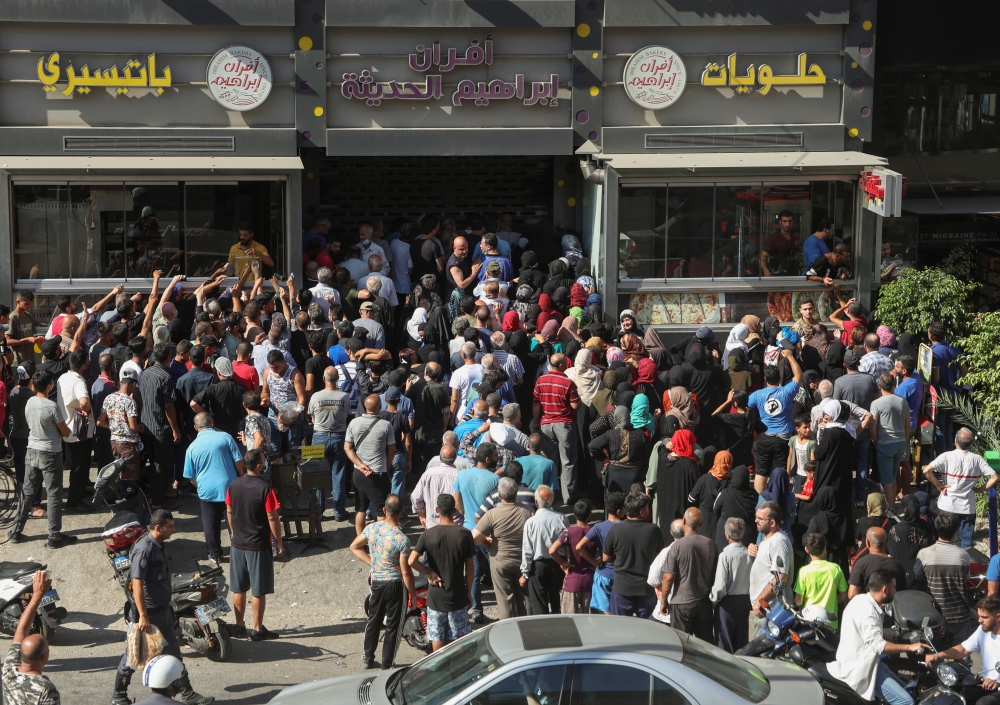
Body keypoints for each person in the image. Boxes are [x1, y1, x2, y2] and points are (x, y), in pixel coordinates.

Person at [111, 510, 213, 705]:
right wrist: (142, 616)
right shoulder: (145, 549)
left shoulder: (160, 546)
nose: (173, 530)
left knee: (174, 653)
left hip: (164, 612)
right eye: (170, 526)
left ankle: (188, 694)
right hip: (147, 615)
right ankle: (118, 696)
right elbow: (137, 584)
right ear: (158, 527)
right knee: (134, 656)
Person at [827, 569, 927, 705]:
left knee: (907, 688)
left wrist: (893, 635)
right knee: (906, 701)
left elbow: (866, 633)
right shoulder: (867, 610)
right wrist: (910, 647)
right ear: (885, 589)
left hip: (871, 663)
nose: (896, 591)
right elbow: (879, 645)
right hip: (862, 670)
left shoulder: (862, 600)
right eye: (894, 587)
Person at [7, 370, 76, 547]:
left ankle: (16, 530)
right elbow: (65, 432)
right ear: (48, 385)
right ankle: (54, 536)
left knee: (28, 491)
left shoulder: (30, 402)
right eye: (52, 382)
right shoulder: (51, 406)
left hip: (32, 451)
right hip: (50, 453)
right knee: (54, 494)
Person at [350, 494, 415, 669]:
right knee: (394, 626)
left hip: (377, 582)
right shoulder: (402, 539)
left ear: (385, 510)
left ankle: (368, 657)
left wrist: (373, 562)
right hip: (395, 585)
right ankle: (387, 664)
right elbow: (406, 572)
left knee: (374, 620)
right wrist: (413, 595)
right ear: (402, 511)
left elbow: (354, 546)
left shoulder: (372, 529)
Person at [226, 448, 283, 641]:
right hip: (258, 545)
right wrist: (279, 542)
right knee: (258, 590)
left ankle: (240, 625)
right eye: (264, 459)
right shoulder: (264, 488)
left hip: (237, 544)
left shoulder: (234, 484)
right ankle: (257, 629)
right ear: (259, 466)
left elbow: (229, 510)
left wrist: (234, 532)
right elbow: (272, 518)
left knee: (238, 587)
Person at [409, 494, 475, 651]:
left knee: (437, 636)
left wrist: (429, 572)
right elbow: (470, 567)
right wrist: (469, 592)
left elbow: (411, 561)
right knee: (458, 638)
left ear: (437, 510)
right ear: (454, 511)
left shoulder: (428, 535)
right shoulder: (465, 534)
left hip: (436, 596)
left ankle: (440, 668)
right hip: (457, 595)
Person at [183, 413, 245, 565]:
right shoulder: (225, 437)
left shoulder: (191, 448)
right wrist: (242, 478)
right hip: (229, 488)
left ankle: (214, 553)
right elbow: (238, 460)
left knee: (210, 524)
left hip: (206, 492)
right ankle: (240, 549)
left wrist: (200, 486)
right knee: (235, 521)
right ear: (212, 422)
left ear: (195, 428)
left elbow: (190, 476)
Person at [923, 428, 998, 549]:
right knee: (966, 543)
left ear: (955, 441)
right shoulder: (977, 459)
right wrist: (979, 489)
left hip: (947, 504)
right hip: (967, 506)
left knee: (944, 538)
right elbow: (994, 477)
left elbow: (926, 471)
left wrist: (938, 485)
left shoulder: (946, 456)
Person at [473, 477, 534, 619]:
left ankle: (507, 631)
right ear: (516, 493)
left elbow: (474, 537)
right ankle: (528, 627)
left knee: (504, 600)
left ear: (499, 496)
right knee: (526, 598)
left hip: (499, 561)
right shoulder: (528, 511)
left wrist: (485, 540)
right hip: (523, 561)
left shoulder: (492, 514)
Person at [925, 595, 1000, 705]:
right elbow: (963, 649)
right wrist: (938, 655)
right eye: (979, 616)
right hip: (986, 684)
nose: (979, 620)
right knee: (960, 696)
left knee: (983, 703)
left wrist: (997, 683)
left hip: (997, 687)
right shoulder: (983, 630)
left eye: (984, 617)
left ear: (998, 617)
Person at [747, 349, 803, 493]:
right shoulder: (786, 391)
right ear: (779, 378)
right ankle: (776, 499)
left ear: (765, 379)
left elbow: (744, 407)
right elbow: (798, 375)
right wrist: (790, 356)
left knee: (760, 473)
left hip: (762, 437)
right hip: (782, 438)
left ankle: (760, 502)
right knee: (778, 472)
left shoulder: (757, 395)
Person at [2, 570, 60, 705]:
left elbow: (21, 631)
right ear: (44, 657)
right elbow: (21, 632)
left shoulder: (8, 671)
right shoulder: (45, 689)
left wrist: (37, 596)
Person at [660, 508, 719, 641]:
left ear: (685, 521)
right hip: (704, 602)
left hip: (682, 603)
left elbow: (668, 577)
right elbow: (714, 574)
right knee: (705, 644)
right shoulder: (711, 544)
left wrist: (664, 601)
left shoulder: (677, 546)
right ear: (701, 524)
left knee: (680, 643)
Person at [603, 493, 664, 618]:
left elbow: (605, 558)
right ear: (642, 512)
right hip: (646, 589)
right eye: (647, 508)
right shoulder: (653, 530)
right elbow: (659, 557)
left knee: (621, 630)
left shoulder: (615, 530)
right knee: (648, 629)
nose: (649, 511)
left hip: (621, 588)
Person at [916, 513, 975, 641]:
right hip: (960, 613)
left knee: (936, 653)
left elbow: (919, 576)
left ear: (936, 529)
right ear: (955, 532)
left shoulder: (923, 554)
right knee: (961, 652)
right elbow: (965, 579)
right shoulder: (963, 555)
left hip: (935, 612)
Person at [532, 353, 581, 504]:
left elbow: (536, 404)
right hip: (564, 425)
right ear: (561, 365)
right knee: (568, 461)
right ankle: (569, 497)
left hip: (546, 425)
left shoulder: (540, 380)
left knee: (549, 460)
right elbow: (574, 405)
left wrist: (536, 423)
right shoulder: (568, 383)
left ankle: (548, 496)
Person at [139, 344, 183, 510]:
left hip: (147, 425)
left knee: (154, 463)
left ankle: (157, 495)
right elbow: (169, 407)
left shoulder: (146, 373)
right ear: (168, 358)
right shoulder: (165, 377)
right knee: (161, 466)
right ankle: (158, 502)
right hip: (160, 428)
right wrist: (176, 430)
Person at [345, 395, 396, 536]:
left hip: (358, 473)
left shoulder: (354, 423)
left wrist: (360, 464)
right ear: (380, 407)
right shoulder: (386, 426)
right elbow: (392, 450)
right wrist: (385, 465)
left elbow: (347, 448)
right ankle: (381, 541)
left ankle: (360, 541)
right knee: (381, 510)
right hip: (377, 474)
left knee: (360, 509)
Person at [308, 367, 351, 521]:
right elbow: (346, 415)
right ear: (337, 378)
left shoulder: (315, 396)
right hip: (339, 437)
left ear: (324, 379)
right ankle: (339, 512)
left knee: (317, 475)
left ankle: (319, 511)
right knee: (338, 475)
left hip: (318, 438)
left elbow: (312, 417)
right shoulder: (344, 397)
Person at [520, 485, 569, 615]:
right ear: (552, 501)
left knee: (539, 604)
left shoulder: (531, 522)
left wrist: (525, 573)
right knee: (557, 603)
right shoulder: (562, 518)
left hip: (538, 567)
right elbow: (568, 544)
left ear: (536, 502)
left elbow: (527, 550)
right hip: (558, 564)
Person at [56, 349, 95, 511]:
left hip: (67, 427)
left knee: (77, 465)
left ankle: (78, 492)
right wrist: (85, 408)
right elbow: (84, 402)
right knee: (80, 466)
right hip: (79, 431)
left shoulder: (62, 377)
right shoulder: (78, 381)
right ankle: (74, 501)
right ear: (83, 364)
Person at [749, 501, 793, 637]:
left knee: (762, 655)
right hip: (765, 609)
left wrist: (759, 600)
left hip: (771, 613)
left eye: (760, 519)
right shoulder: (767, 539)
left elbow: (781, 577)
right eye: (756, 517)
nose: (756, 521)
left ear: (772, 523)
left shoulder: (778, 542)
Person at [710, 517, 753, 653]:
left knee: (724, 642)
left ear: (727, 535)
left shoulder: (725, 555)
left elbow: (720, 585)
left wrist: (713, 600)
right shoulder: (749, 554)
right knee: (741, 642)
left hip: (727, 603)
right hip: (745, 600)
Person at [578, 491, 624, 615]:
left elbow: (579, 547)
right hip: (622, 574)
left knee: (604, 610)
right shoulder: (626, 527)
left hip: (603, 574)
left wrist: (594, 561)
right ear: (619, 510)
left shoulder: (598, 527)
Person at [549, 499, 595, 614]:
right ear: (590, 515)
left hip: (571, 581)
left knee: (569, 623)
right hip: (590, 581)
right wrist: (596, 562)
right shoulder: (595, 531)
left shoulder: (568, 532)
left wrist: (562, 562)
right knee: (592, 622)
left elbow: (552, 550)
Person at [870, 371, 910, 501]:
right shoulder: (903, 401)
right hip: (900, 443)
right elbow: (907, 425)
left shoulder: (876, 404)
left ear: (879, 385)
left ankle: (891, 510)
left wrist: (876, 443)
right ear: (894, 385)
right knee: (892, 478)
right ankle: (893, 507)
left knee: (887, 482)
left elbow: (873, 429)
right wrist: (905, 441)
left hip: (885, 444)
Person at [794, 532, 848, 628]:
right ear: (825, 549)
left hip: (810, 621)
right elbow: (844, 596)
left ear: (806, 550)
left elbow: (798, 601)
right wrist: (833, 601)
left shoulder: (803, 571)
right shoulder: (835, 568)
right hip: (831, 623)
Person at [929, 321, 966, 454]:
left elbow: (936, 378)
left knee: (939, 430)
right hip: (954, 394)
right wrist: (959, 387)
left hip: (940, 394)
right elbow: (964, 371)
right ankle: (950, 462)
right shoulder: (954, 348)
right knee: (949, 429)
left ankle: (941, 464)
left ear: (931, 335)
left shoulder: (933, 352)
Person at [411, 445, 463, 527]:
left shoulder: (428, 474)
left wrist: (422, 516)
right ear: (455, 458)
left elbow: (415, 497)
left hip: (432, 525)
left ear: (440, 458)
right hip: (456, 525)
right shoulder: (461, 476)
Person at [848, 526, 906, 598]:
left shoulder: (861, 564)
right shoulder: (897, 565)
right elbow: (903, 593)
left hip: (869, 608)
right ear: (886, 542)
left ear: (867, 542)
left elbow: (852, 594)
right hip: (892, 608)